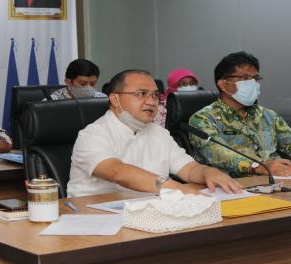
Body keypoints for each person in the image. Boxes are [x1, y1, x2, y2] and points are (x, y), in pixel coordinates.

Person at [67, 69, 242, 197]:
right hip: (95, 217)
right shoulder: (92, 135)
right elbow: (117, 172)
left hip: (148, 212)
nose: (151, 102)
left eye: (155, 95)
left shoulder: (159, 133)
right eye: (141, 94)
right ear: (115, 99)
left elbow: (188, 169)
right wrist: (176, 188)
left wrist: (208, 172)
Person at [189, 51, 291, 177]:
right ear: (223, 84)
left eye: (256, 78)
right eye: (245, 77)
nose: (253, 83)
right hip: (231, 186)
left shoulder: (267, 115)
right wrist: (260, 167)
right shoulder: (203, 119)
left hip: (278, 181)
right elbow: (218, 154)